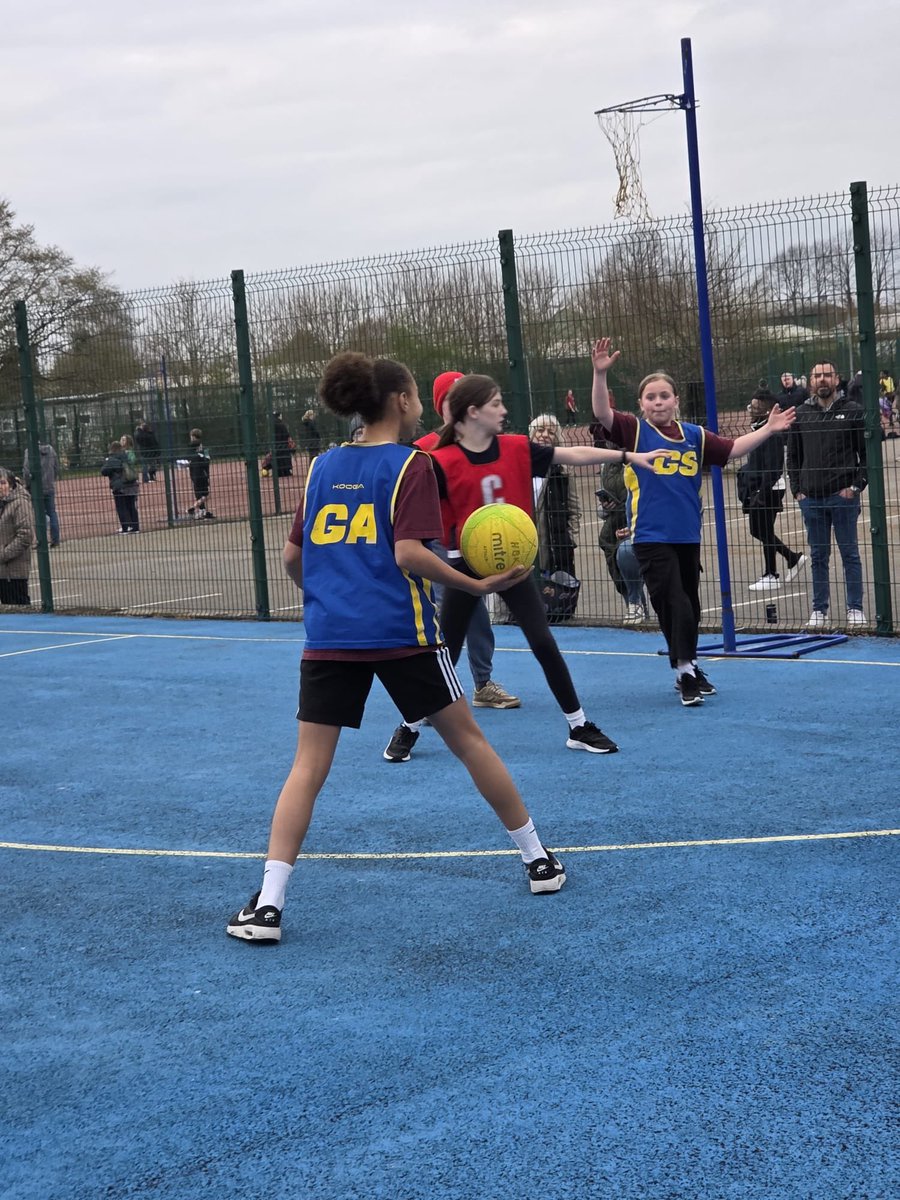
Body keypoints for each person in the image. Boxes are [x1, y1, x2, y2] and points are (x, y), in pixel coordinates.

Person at [226, 352, 567, 945]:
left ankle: (269, 905)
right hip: (400, 632)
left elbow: (291, 557)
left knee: (307, 767)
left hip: (330, 635)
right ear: (403, 401)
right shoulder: (413, 465)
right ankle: (538, 859)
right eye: (414, 396)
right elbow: (409, 553)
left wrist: (332, 594)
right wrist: (477, 585)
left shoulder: (321, 466)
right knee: (468, 741)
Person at [417, 372, 670, 752]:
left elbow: (575, 454)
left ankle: (578, 726)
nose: (504, 410)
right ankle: (410, 725)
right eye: (496, 404)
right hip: (464, 568)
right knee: (447, 651)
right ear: (472, 412)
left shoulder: (518, 448)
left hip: (515, 567)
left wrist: (628, 454)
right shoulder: (438, 461)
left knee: (543, 642)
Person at [591, 336, 796, 706]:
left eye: (663, 396)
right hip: (650, 535)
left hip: (687, 534)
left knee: (690, 606)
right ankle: (685, 672)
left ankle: (689, 664)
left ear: (675, 400)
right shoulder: (636, 432)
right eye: (650, 397)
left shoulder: (694, 436)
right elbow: (603, 414)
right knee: (675, 603)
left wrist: (767, 428)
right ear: (641, 404)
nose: (658, 402)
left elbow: (732, 450)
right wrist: (600, 375)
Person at [383, 371, 520, 764]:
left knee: (469, 621)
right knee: (444, 629)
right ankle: (418, 714)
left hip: (479, 546)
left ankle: (479, 684)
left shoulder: (485, 444)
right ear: (445, 404)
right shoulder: (424, 450)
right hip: (439, 547)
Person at [786, 361, 867, 628]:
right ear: (810, 382)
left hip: (842, 496)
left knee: (850, 554)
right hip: (812, 499)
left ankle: (855, 608)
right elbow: (794, 456)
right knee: (818, 556)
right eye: (817, 376)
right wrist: (798, 490)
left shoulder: (853, 411)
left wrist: (856, 486)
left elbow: (865, 455)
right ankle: (819, 610)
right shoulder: (801, 414)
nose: (822, 380)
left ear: (836, 380)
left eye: (827, 375)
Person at [736, 388, 807, 592]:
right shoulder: (758, 430)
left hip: (769, 489)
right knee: (759, 530)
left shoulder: (773, 435)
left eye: (756, 407)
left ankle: (771, 573)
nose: (752, 410)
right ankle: (791, 558)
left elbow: (774, 467)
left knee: (763, 529)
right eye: (752, 406)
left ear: (767, 411)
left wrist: (762, 492)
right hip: (759, 487)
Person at [0, 468, 35, 605]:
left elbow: (25, 536)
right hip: (2, 571)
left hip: (13, 571)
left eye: (2, 483)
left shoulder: (20, 503)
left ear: (11, 485)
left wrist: (3, 554)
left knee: (19, 609)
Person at [22, 440, 61, 547]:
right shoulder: (51, 450)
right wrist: (52, 479)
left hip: (36, 488)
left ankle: (41, 540)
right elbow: (56, 467)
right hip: (49, 486)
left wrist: (28, 484)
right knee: (52, 513)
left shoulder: (29, 451)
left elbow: (26, 470)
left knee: (39, 514)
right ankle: (55, 539)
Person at [101, 439, 140, 533]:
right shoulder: (126, 456)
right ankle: (135, 527)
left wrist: (106, 462)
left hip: (120, 486)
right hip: (131, 484)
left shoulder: (112, 459)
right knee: (131, 506)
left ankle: (125, 527)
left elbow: (104, 471)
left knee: (121, 507)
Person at [186, 428, 215, 519]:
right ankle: (196, 508)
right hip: (202, 473)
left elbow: (189, 459)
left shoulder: (191, 448)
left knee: (200, 493)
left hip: (195, 473)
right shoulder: (203, 448)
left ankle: (201, 510)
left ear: (193, 436)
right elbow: (207, 460)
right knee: (204, 494)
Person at [273, 412, 294, 476]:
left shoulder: (272, 424)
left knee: (278, 458)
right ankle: (286, 471)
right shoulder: (281, 424)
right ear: (279, 416)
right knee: (285, 458)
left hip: (276, 443)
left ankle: (278, 472)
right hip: (283, 443)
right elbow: (286, 434)